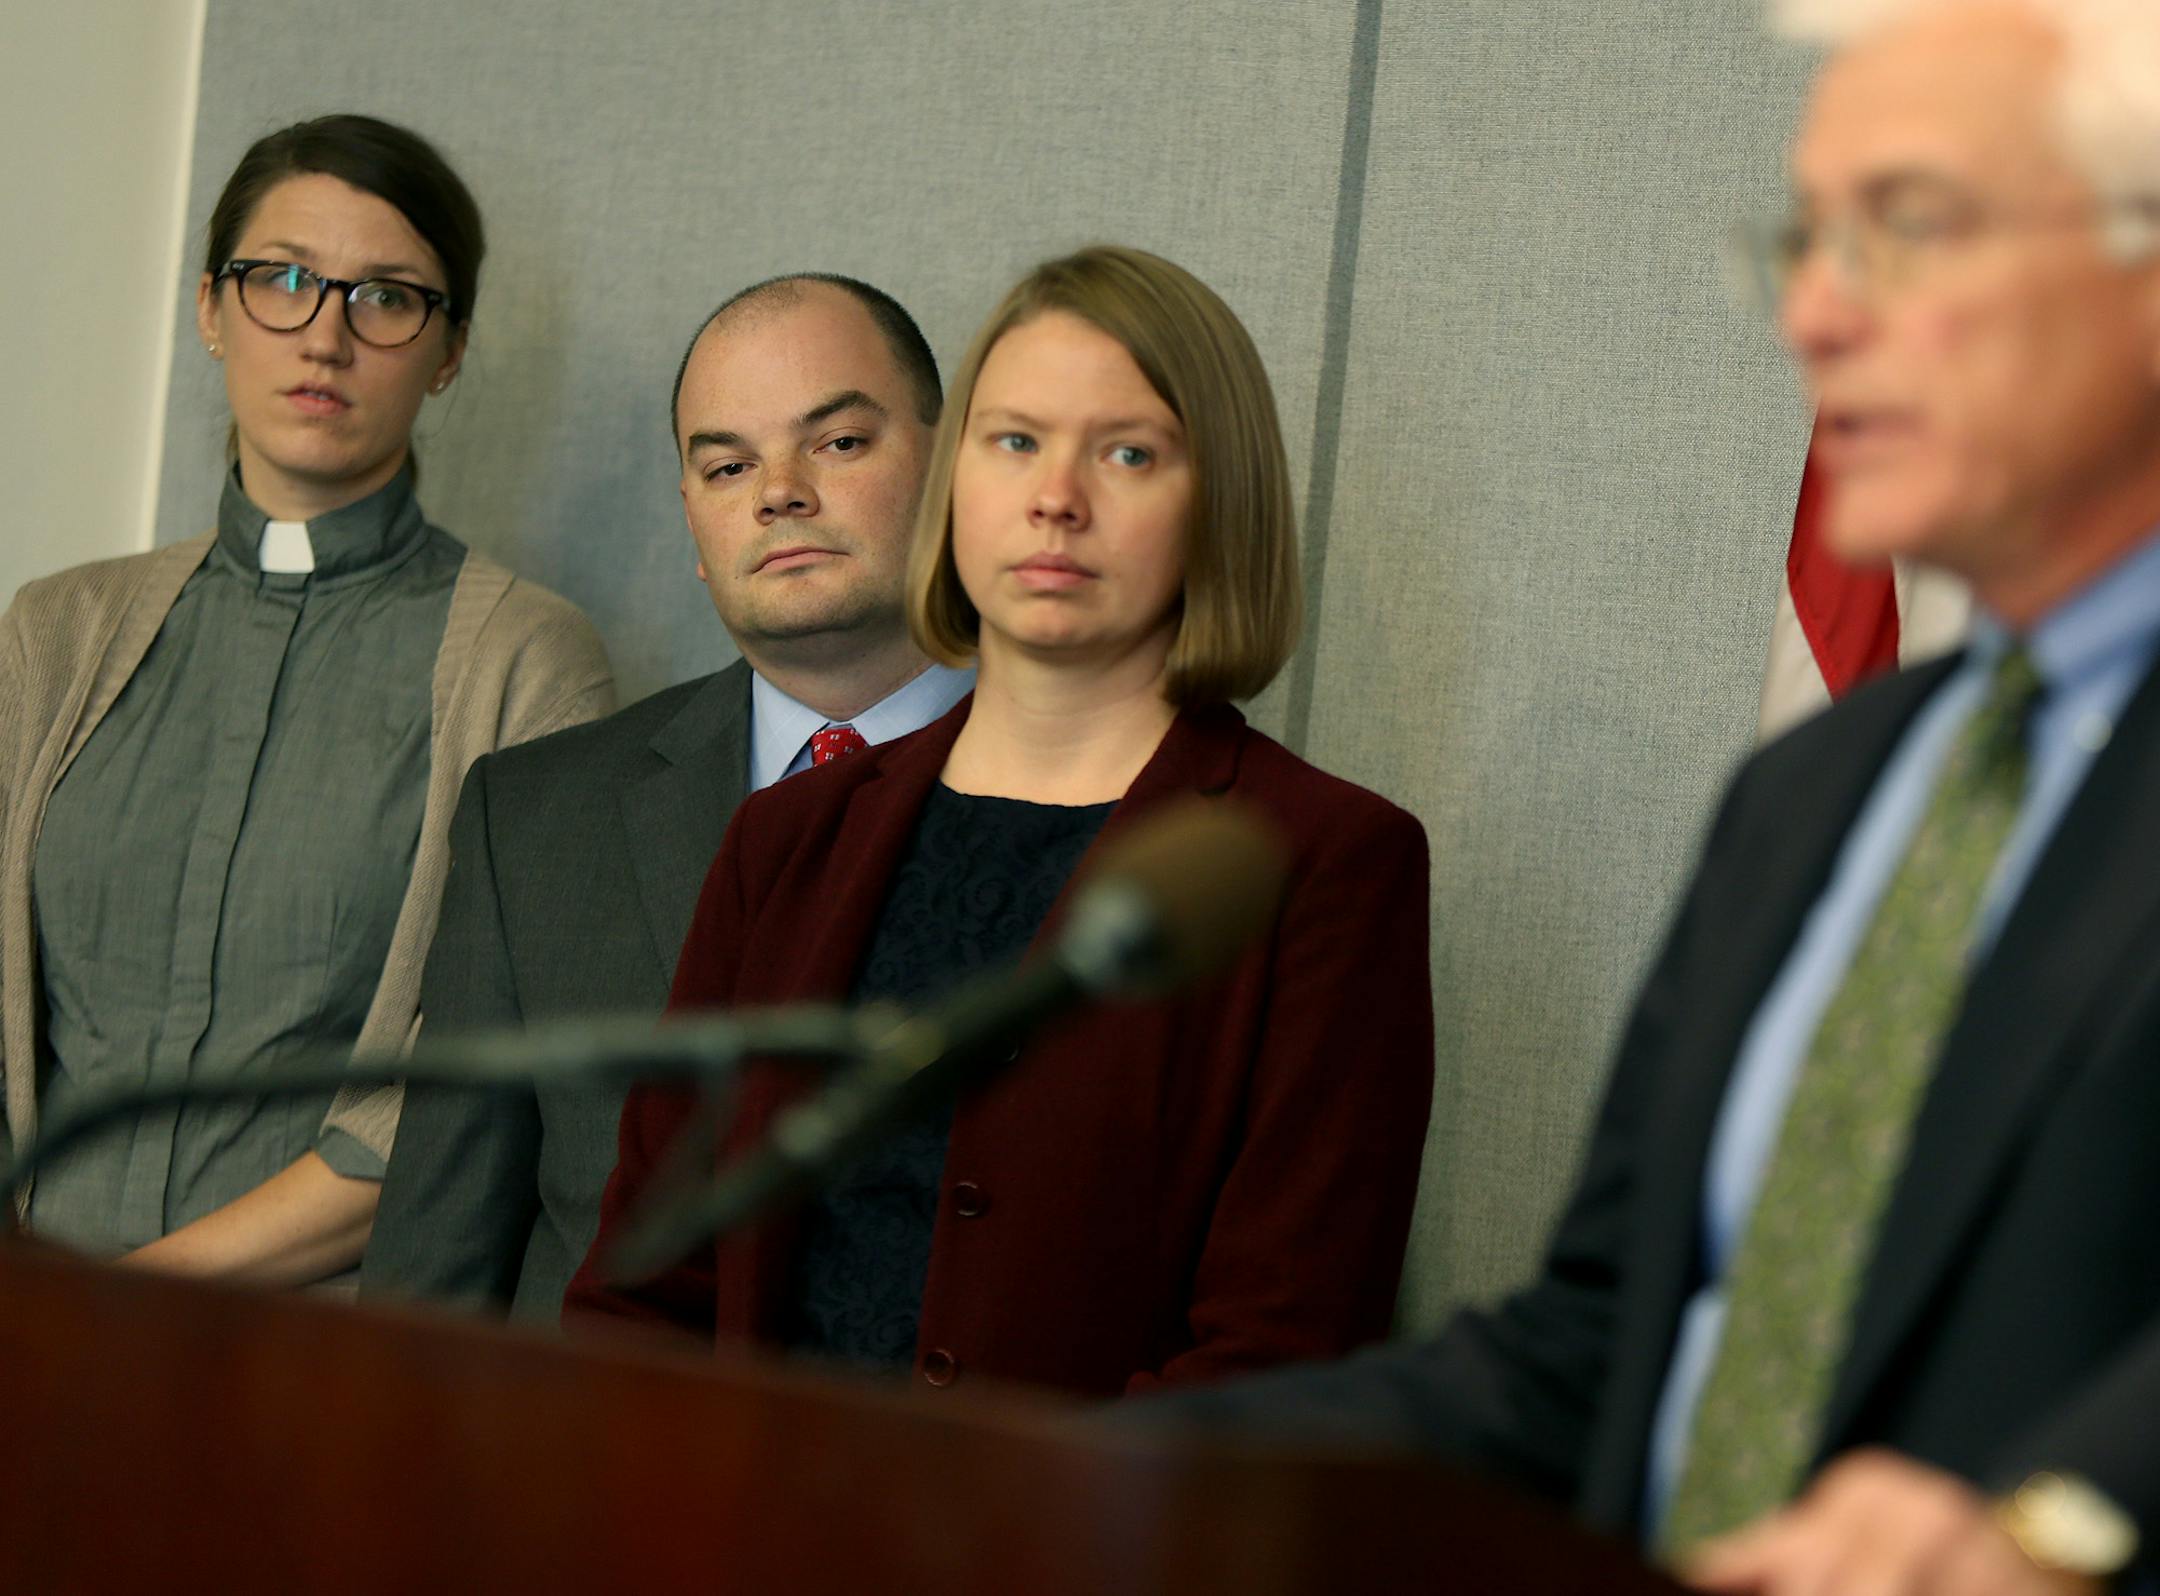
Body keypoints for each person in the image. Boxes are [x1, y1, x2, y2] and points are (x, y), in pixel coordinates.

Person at [1145, 3, 2160, 1591]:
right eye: (1808, 242)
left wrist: (2062, 1524)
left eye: (1907, 227)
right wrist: (1068, 1472)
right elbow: (1595, 1349)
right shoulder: (1819, 790)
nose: (1818, 313)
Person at [565, 245, 1434, 1398]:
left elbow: (1280, 1353)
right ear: (953, 484)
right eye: (1015, 441)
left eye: (1127, 453)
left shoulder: (1323, 861)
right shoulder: (788, 840)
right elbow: (647, 1292)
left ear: (1216, 505)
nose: (1055, 498)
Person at [0, 114, 613, 1284]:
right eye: (282, 279)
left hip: (316, 1348)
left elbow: (466, 1097)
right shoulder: (53, 632)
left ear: (449, 351)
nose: (325, 336)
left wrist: (126, 1308)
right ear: (209, 309)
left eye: (386, 297)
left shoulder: (529, 665)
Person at [360, 274, 974, 1321]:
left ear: (952, 465)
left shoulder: (1115, 798)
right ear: (694, 523)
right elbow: (431, 1280)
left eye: (837, 443)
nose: (778, 493)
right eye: (728, 465)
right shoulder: (532, 819)